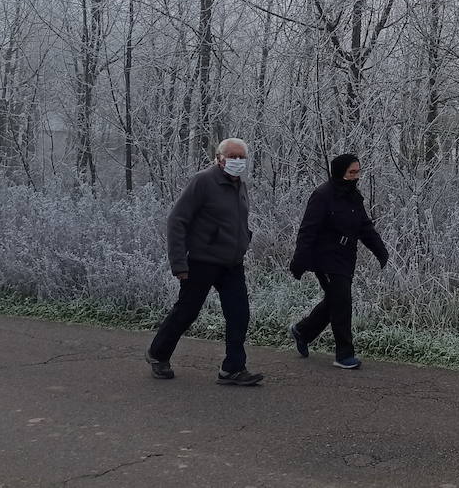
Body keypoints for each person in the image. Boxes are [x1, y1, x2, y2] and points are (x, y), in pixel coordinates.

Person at [146, 137, 264, 386]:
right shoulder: (203, 181)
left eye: (242, 157)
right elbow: (177, 221)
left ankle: (232, 368)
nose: (238, 162)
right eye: (232, 157)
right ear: (219, 158)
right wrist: (179, 263)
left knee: (239, 314)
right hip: (202, 261)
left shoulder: (240, 185)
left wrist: (245, 241)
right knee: (187, 312)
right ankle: (158, 354)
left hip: (232, 263)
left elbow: (238, 221)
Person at [288, 153, 388, 369]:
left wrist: (380, 251)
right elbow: (307, 231)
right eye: (352, 172)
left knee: (335, 300)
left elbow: (364, 227)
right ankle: (344, 354)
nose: (356, 176)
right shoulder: (322, 195)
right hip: (324, 257)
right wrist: (300, 262)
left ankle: (303, 331)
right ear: (340, 172)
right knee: (342, 301)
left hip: (345, 257)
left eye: (358, 172)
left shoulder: (354, 197)